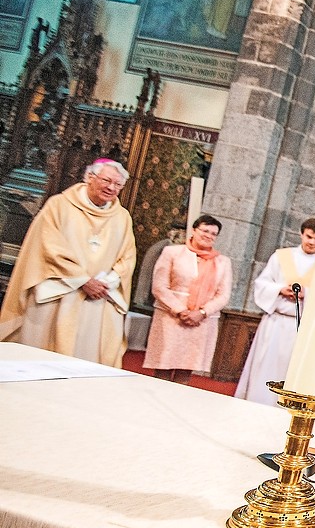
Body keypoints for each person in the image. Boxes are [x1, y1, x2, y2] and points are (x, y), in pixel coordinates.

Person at [0, 159, 136, 367]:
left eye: (118, 184)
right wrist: (82, 280)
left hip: (99, 295)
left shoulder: (122, 217)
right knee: (42, 361)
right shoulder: (59, 205)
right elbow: (48, 246)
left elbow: (127, 257)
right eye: (106, 180)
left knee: (85, 365)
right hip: (59, 292)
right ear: (90, 177)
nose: (111, 188)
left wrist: (107, 281)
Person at [234, 218, 315, 405]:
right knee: (265, 366)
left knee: (291, 370)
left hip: (301, 326)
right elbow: (262, 283)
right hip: (275, 321)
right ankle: (257, 403)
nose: (312, 242)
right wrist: (280, 289)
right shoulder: (282, 257)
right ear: (301, 234)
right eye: (309, 237)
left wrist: (306, 293)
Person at [142, 214, 233, 384]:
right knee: (164, 365)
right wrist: (180, 310)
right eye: (205, 231)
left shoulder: (223, 262)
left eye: (213, 234)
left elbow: (224, 295)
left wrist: (202, 312)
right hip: (171, 317)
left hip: (202, 321)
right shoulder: (173, 252)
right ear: (194, 230)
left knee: (186, 368)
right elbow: (160, 286)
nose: (209, 236)